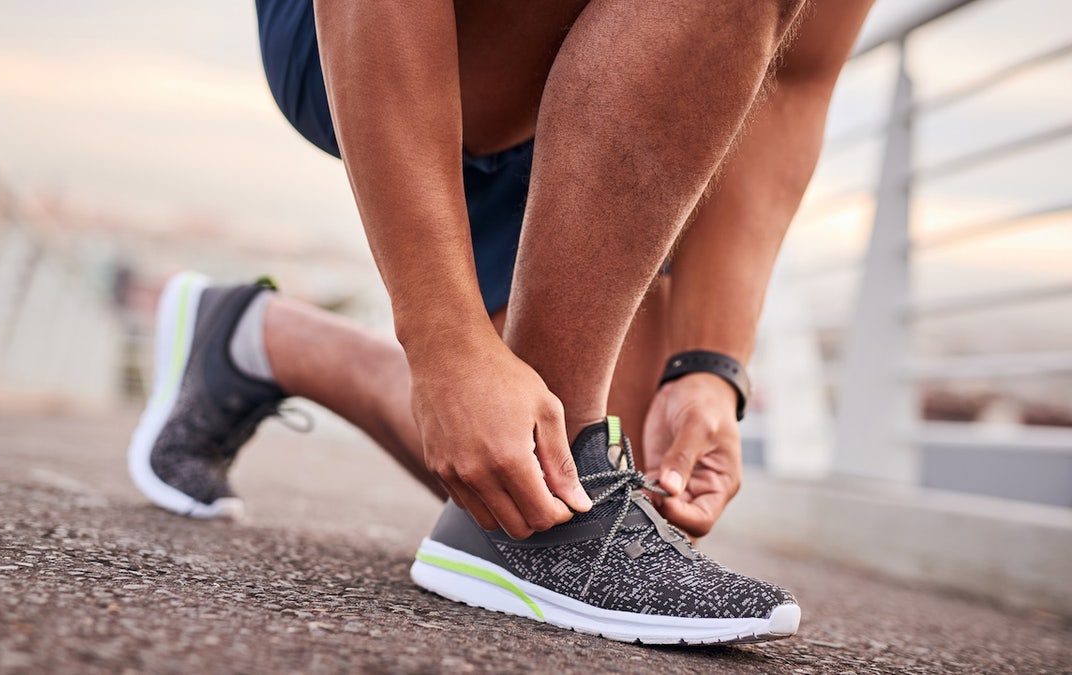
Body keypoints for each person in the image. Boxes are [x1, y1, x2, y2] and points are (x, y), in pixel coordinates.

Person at [128, 0, 874, 645]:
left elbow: (796, 79)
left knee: (570, 472)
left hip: (623, 66)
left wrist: (711, 368)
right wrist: (442, 341)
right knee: (553, 483)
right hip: (386, 35)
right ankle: (538, 512)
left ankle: (262, 338)